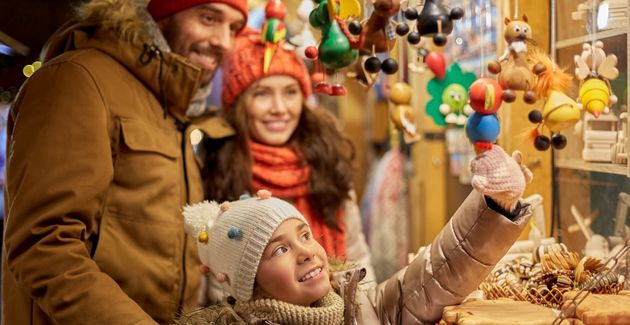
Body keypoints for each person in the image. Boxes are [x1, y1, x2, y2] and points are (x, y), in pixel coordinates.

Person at [2, 0, 247, 323]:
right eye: (208, 18)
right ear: (162, 15)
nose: (224, 42)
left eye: (233, 28)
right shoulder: (79, 79)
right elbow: (44, 244)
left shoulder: (169, 107)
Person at [180, 159, 533, 325]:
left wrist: (492, 207)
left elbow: (436, 274)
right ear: (251, 286)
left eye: (304, 235)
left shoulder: (361, 308)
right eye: (280, 250)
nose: (305, 252)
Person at [201, 29, 376, 287]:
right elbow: (212, 283)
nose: (280, 108)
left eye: (290, 92)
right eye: (262, 94)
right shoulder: (216, 169)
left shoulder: (326, 159)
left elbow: (357, 259)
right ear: (238, 104)